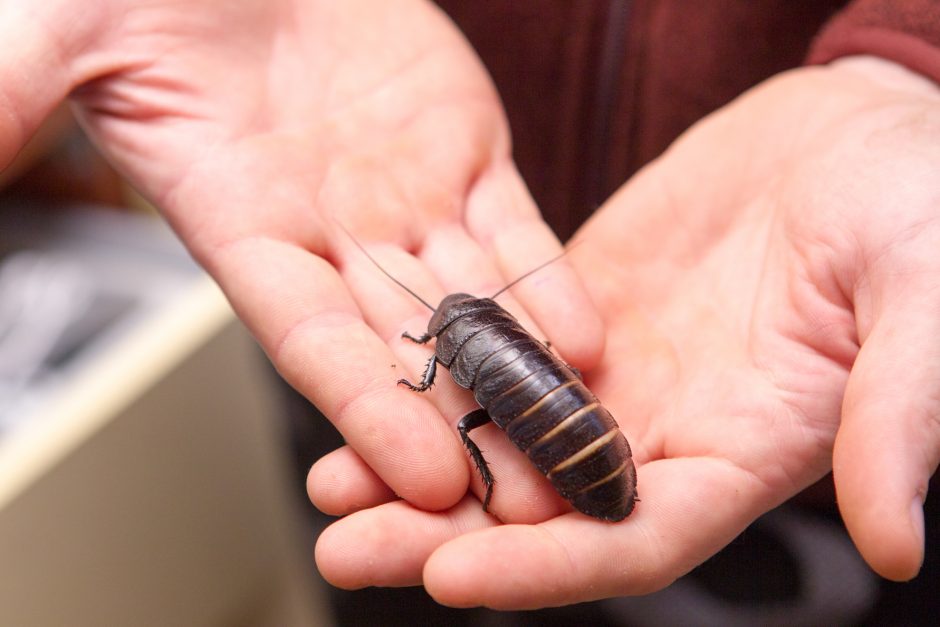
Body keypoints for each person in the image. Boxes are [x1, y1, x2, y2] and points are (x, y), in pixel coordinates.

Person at [3, 0, 938, 610]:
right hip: (574, 407)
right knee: (401, 554)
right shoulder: (489, 330)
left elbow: (438, 372)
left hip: (760, 409)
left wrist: (913, 63)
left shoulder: (449, 352)